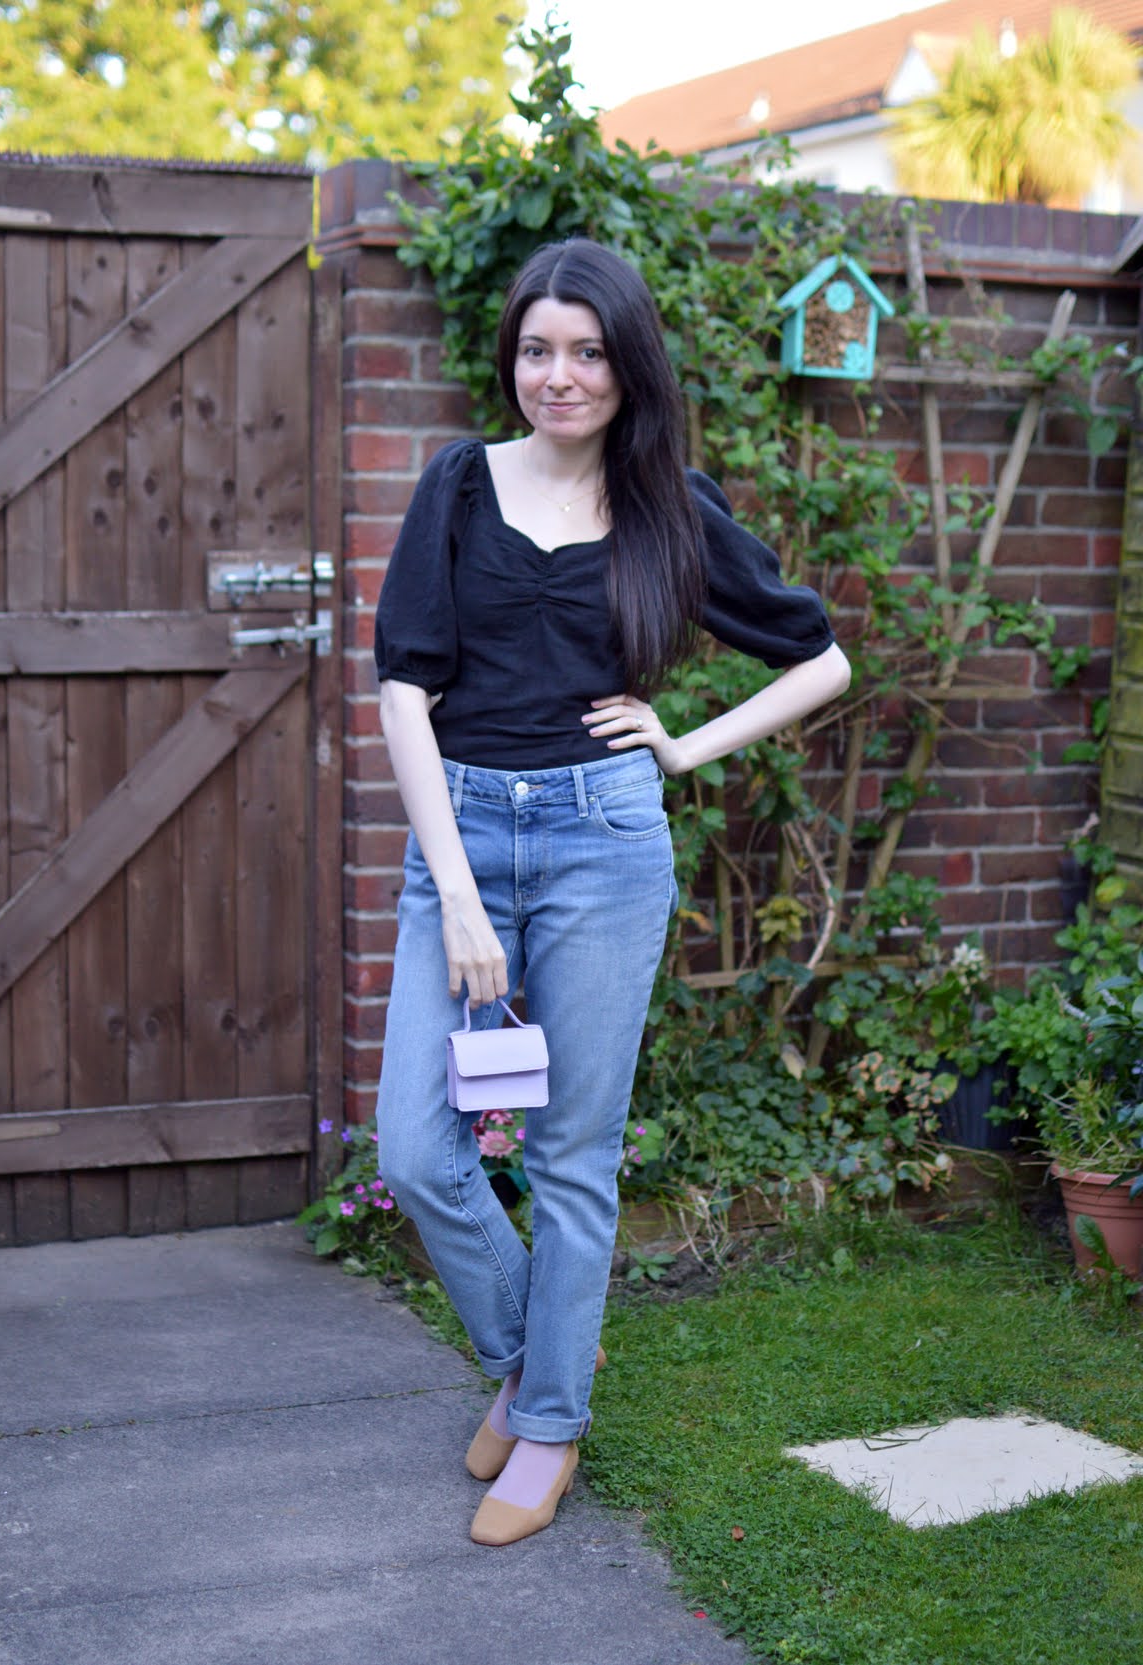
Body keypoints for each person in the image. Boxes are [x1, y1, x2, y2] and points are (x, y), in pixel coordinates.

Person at [374, 237, 850, 1547]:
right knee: (418, 1150)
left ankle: (549, 1426)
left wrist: (686, 744)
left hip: (603, 843)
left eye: (587, 351)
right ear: (512, 355)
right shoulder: (458, 488)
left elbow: (821, 656)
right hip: (462, 838)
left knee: (575, 1153)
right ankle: (534, 1363)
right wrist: (460, 896)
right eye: (538, 347)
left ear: (627, 367)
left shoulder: (666, 509)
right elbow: (403, 685)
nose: (559, 374)